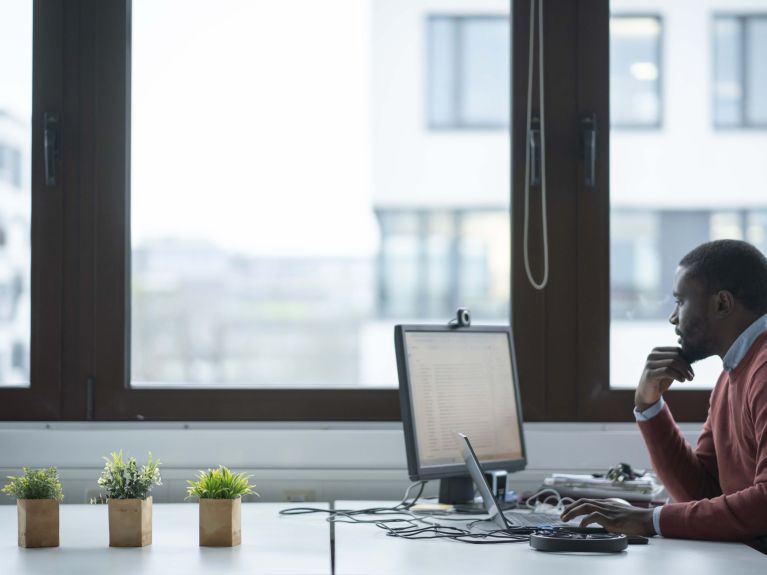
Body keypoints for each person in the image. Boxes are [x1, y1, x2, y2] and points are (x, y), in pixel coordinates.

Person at [561, 239, 767, 541]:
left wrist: (650, 519)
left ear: (722, 303)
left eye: (680, 301)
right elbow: (702, 492)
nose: (673, 318)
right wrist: (648, 405)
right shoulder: (731, 375)